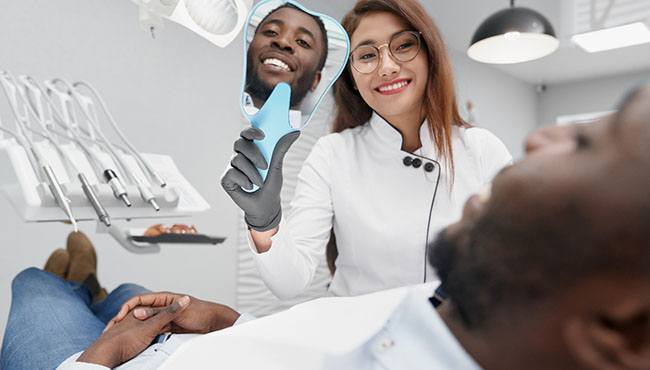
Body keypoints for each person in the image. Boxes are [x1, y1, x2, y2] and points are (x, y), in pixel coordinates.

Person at [4, 84, 650, 369]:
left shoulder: (474, 152)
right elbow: (305, 310)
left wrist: (98, 360)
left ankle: (73, 284)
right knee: (131, 296)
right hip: (204, 339)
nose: (539, 137)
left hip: (104, 364)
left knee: (34, 285)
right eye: (364, 52)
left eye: (593, 144)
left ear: (622, 331)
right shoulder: (462, 303)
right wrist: (227, 318)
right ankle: (94, 288)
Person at [221, 0, 512, 300]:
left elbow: (515, 258)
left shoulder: (480, 148)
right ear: (353, 79)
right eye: (367, 55)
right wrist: (265, 222)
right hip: (355, 334)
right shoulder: (333, 153)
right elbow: (290, 283)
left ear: (430, 56)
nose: (387, 67)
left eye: (403, 46)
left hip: (451, 335)